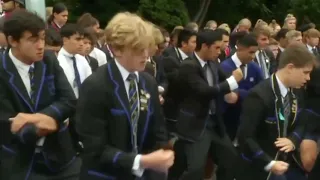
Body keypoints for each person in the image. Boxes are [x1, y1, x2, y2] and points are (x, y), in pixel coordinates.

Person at [75, 12, 174, 180]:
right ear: (116, 49)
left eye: (146, 48)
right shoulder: (95, 86)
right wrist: (141, 161)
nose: (145, 55)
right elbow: (95, 148)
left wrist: (163, 154)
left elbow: (158, 129)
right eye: (137, 49)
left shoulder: (147, 81)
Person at [0, 10, 80, 180]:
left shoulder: (48, 60)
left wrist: (40, 118)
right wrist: (42, 127)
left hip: (60, 157)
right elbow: (6, 123)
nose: (41, 45)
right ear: (12, 41)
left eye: (42, 38)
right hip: (18, 162)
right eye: (33, 39)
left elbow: (69, 101)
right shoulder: (2, 70)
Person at [237, 42, 315, 180]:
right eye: (305, 72)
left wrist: (293, 139)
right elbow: (245, 136)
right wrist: (269, 163)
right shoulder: (259, 96)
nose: (308, 78)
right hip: (262, 165)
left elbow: (303, 120)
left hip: (289, 162)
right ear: (290, 68)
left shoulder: (297, 90)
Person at [174, 29, 243, 180]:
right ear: (205, 46)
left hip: (215, 123)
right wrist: (232, 81)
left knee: (231, 159)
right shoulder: (188, 66)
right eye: (217, 47)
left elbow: (226, 85)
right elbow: (205, 91)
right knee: (195, 170)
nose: (220, 51)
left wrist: (232, 93)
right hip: (196, 125)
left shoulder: (213, 64)